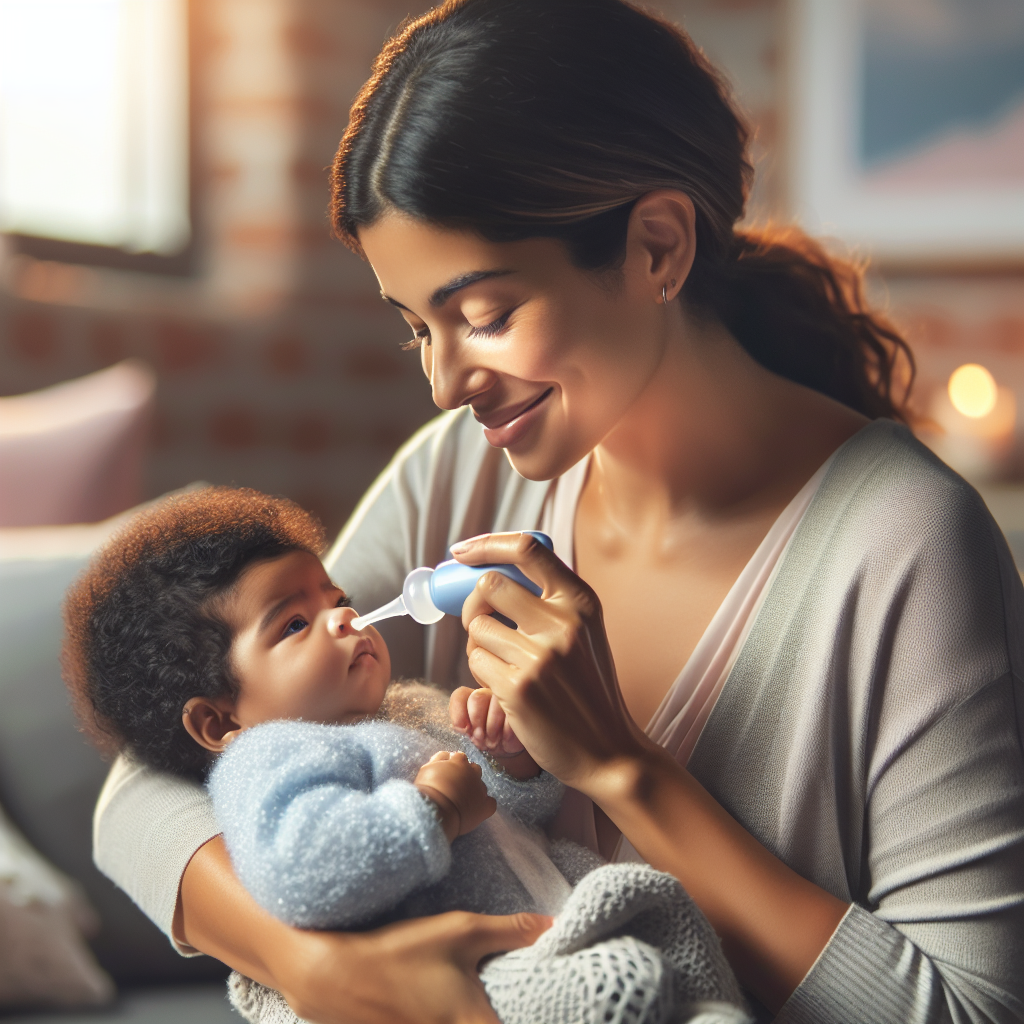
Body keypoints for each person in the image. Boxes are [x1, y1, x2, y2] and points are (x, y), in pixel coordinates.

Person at [91, 1, 1024, 1022]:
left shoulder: (904, 546)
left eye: (484, 314)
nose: (446, 382)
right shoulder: (459, 470)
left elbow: (972, 1006)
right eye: (416, 329)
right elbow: (149, 782)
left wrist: (624, 769)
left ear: (657, 247)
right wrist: (320, 971)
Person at [64, 485, 748, 1024]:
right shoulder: (269, 759)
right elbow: (305, 873)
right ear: (217, 720)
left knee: (666, 919)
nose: (345, 619)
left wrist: (511, 762)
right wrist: (434, 810)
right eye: (295, 624)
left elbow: (515, 818)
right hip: (473, 971)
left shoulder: (409, 708)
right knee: (627, 987)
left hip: (550, 916)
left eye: (339, 600)